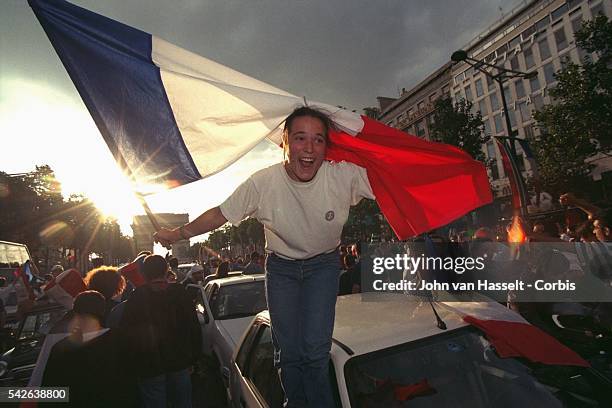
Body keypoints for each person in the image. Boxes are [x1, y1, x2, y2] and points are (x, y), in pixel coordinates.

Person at [154, 106, 375, 407]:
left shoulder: (343, 175)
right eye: (300, 138)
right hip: (281, 268)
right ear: (284, 142)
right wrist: (178, 234)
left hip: (323, 265)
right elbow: (220, 213)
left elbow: (394, 177)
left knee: (314, 351)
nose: (309, 148)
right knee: (288, 352)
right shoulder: (262, 182)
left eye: (318, 140)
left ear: (327, 146)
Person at [119, 255, 202, 408]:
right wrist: (194, 357)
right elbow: (193, 326)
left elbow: (127, 333)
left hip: (149, 364)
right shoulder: (179, 292)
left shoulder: (137, 296)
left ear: (143, 273)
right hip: (179, 359)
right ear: (166, 270)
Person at [42, 290, 137, 407]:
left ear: (75, 311)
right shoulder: (120, 339)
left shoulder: (61, 347)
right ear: (102, 310)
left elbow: (53, 389)